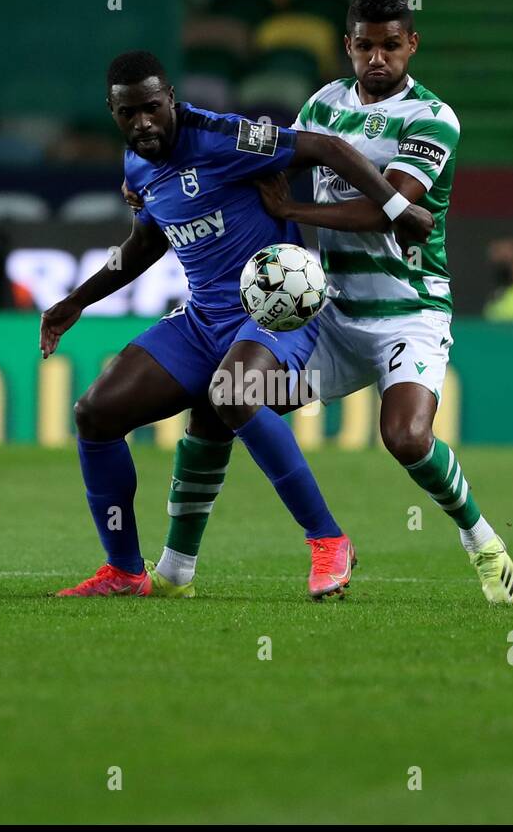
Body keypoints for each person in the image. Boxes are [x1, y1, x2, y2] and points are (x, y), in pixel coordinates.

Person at [145, 0, 513, 604]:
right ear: (347, 46)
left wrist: (294, 208)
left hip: (410, 313)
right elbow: (274, 161)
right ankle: (176, 569)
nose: (379, 58)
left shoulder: (434, 117)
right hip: (334, 315)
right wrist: (166, 176)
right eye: (366, 46)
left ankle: (480, 539)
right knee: (223, 403)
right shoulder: (323, 103)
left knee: (404, 438)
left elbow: (391, 208)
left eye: (392, 46)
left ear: (411, 46)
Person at [41, 50, 433, 599]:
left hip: (276, 309)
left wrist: (395, 208)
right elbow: (146, 243)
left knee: (234, 393)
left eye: (152, 108)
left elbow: (329, 148)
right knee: (94, 414)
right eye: (128, 114)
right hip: (203, 320)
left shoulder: (227, 138)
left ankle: (328, 540)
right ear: (113, 112)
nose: (142, 122)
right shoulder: (137, 164)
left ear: (170, 99)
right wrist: (75, 302)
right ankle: (127, 572)